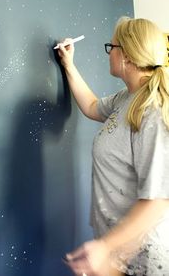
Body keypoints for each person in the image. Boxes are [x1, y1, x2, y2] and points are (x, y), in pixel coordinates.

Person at [57, 17, 169, 276]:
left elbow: (159, 199)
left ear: (127, 55)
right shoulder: (126, 98)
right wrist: (68, 64)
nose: (109, 53)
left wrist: (104, 247)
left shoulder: (152, 111)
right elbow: (91, 106)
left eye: (112, 47)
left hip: (146, 257)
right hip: (120, 252)